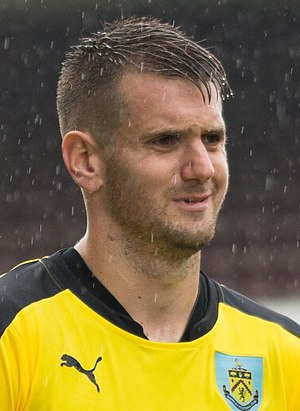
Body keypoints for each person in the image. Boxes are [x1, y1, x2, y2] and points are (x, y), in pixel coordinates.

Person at [0, 17, 299, 411]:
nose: (203, 168)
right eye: (166, 140)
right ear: (85, 160)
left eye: (212, 139)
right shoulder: (13, 331)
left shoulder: (284, 351)